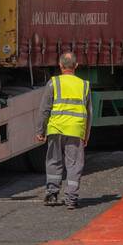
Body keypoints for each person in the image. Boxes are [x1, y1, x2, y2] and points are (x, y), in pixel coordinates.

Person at [36, 51, 91, 209]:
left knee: (54, 161)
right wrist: (86, 134)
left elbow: (44, 109)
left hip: (55, 129)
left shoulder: (53, 83)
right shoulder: (84, 85)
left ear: (60, 66)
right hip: (75, 130)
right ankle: (71, 199)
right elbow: (89, 114)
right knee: (74, 164)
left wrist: (40, 130)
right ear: (76, 66)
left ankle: (52, 194)